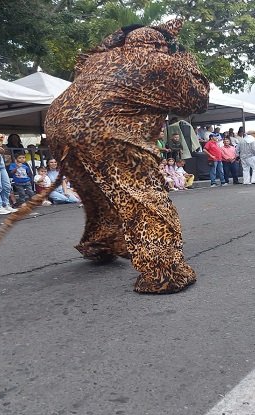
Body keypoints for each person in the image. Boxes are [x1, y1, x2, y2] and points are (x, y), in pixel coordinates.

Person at [31, 19, 208, 294]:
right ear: (160, 44)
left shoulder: (100, 58)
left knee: (98, 192)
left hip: (58, 125)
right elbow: (196, 101)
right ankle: (163, 272)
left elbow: (84, 67)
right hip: (107, 128)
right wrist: (184, 56)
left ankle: (101, 242)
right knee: (143, 195)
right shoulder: (163, 61)